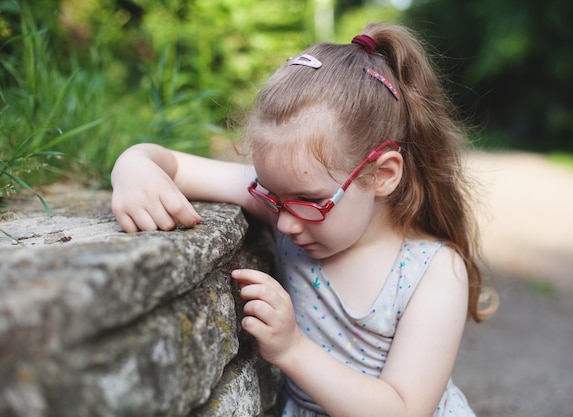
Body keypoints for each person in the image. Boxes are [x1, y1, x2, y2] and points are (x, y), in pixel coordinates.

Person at [111, 23, 496, 417]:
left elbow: (404, 409)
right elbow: (170, 164)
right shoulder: (293, 203)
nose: (285, 225)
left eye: (310, 201)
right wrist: (132, 167)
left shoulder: (432, 272)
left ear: (382, 175)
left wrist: (293, 349)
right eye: (272, 195)